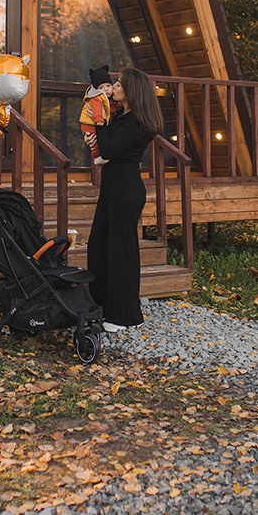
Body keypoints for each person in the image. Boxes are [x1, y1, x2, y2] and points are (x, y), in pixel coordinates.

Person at [85, 67, 163, 332]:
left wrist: (98, 123)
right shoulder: (121, 117)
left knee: (121, 252)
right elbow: (105, 147)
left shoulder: (136, 123)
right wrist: (94, 137)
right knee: (98, 246)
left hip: (126, 190)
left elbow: (108, 148)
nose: (113, 87)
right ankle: (101, 305)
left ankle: (125, 316)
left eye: (118, 84)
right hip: (112, 188)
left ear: (131, 91)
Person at [79, 64, 119, 165]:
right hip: (91, 123)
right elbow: (97, 109)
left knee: (95, 139)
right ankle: (97, 156)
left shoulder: (112, 100)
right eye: (101, 87)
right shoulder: (98, 98)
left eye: (108, 86)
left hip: (98, 124)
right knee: (94, 140)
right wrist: (99, 120)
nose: (106, 89)